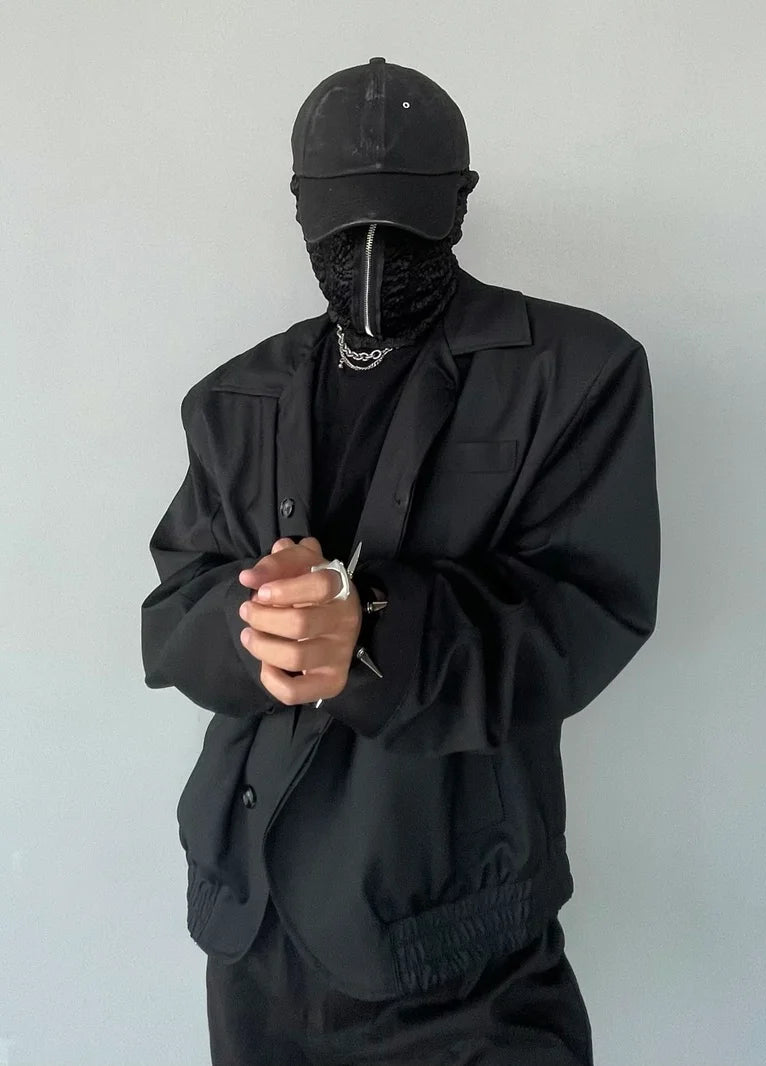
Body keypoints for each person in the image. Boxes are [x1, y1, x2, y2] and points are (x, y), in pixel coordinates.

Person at [140, 57, 660, 1066]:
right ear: (300, 210)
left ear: (460, 202)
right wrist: (255, 627)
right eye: (342, 228)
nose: (372, 256)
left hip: (457, 933)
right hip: (249, 920)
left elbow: (590, 610)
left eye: (405, 220)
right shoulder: (234, 397)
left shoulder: (575, 372)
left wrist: (370, 623)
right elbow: (171, 615)